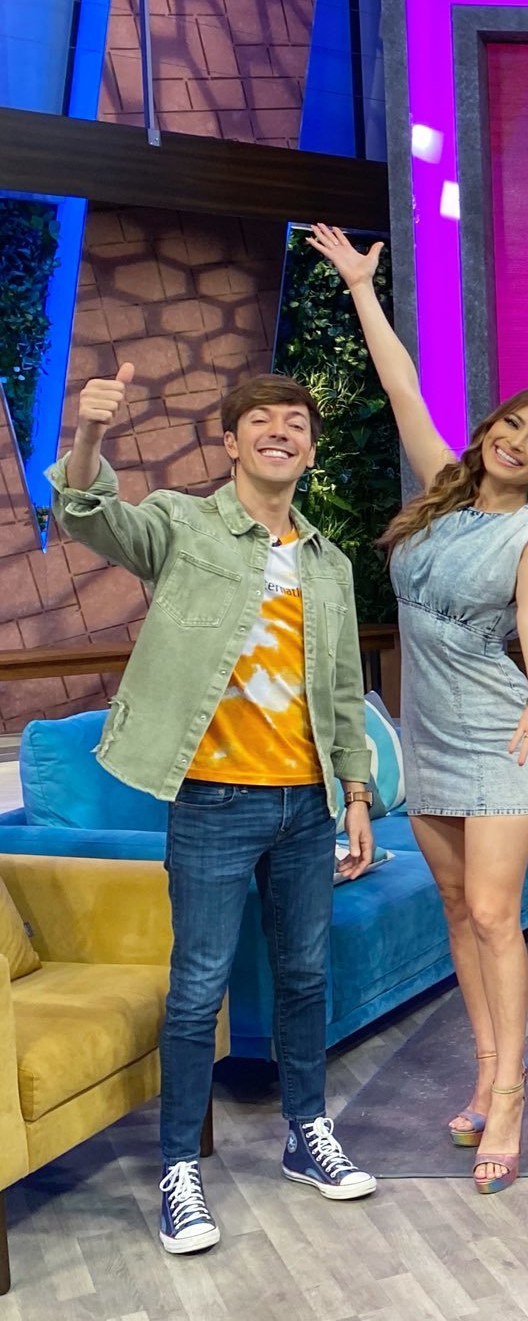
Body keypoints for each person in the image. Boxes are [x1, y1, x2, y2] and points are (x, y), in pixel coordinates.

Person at [48, 363, 379, 1255]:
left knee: (305, 977)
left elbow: (341, 692)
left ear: (309, 450)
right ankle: (179, 1170)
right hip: (213, 801)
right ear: (230, 442)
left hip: (307, 803)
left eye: (296, 422)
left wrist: (356, 794)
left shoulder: (329, 562)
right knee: (198, 987)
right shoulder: (182, 524)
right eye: (261, 420)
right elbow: (88, 515)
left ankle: (306, 1133)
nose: (281, 431)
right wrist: (89, 435)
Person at [311, 223, 528, 1195]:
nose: (516, 440)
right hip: (427, 728)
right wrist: (360, 286)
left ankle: (510, 1092)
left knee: (492, 911)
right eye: (511, 424)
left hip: (500, 728)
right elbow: (401, 388)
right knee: (454, 910)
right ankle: (483, 1069)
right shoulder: (442, 491)